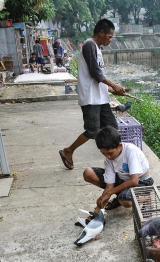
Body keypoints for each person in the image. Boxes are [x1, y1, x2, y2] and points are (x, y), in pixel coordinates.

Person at [59, 19, 126, 170]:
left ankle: (115, 160)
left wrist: (111, 90)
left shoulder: (96, 48)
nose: (110, 40)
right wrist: (114, 84)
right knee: (92, 131)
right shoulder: (89, 45)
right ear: (101, 33)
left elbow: (98, 77)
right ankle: (68, 150)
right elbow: (95, 73)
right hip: (91, 99)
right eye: (109, 36)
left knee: (113, 129)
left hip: (100, 98)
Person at [84, 126, 153, 211]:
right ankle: (120, 196)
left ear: (119, 146)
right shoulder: (108, 160)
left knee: (125, 201)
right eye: (104, 153)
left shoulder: (130, 150)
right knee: (88, 173)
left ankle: (146, 198)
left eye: (110, 153)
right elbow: (109, 186)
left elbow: (134, 181)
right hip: (122, 179)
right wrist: (97, 209)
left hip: (141, 181)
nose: (108, 156)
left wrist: (109, 193)